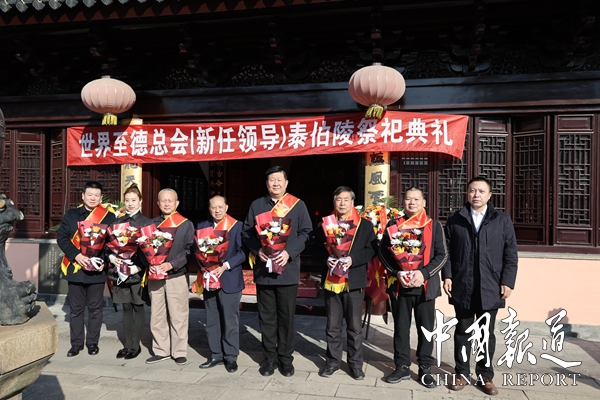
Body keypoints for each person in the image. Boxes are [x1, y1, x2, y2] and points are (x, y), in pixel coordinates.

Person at [443, 176, 518, 396]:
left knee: (486, 333)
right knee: (463, 331)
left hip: (491, 284)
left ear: (489, 195)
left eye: (481, 191)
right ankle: (461, 373)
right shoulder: (456, 219)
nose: (476, 195)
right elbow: (447, 252)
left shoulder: (501, 220)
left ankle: (485, 375)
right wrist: (447, 276)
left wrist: (507, 281)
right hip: (462, 283)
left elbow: (510, 253)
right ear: (467, 194)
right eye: (472, 191)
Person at [242, 166, 312, 377]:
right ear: (267, 183)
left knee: (286, 318)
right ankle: (269, 359)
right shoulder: (257, 205)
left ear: (286, 183)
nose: (275, 183)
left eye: (279, 180)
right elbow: (247, 233)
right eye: (272, 180)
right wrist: (257, 250)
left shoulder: (297, 205)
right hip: (264, 271)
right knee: (266, 318)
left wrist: (289, 252)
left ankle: (286, 359)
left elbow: (306, 232)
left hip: (287, 270)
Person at [378, 187, 447, 388]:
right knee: (401, 329)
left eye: (416, 199)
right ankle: (401, 367)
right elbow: (383, 252)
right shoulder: (393, 225)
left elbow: (442, 255)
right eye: (408, 199)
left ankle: (425, 369)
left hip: (425, 286)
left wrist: (423, 274)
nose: (412, 203)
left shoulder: (434, 225)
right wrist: (396, 272)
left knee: (426, 329)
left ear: (424, 203)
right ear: (403, 202)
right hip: (400, 285)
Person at [314, 186, 377, 380]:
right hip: (332, 281)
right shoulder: (324, 224)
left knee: (354, 327)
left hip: (354, 281)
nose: (342, 203)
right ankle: (332, 362)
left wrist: (353, 259)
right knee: (332, 326)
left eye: (346, 199)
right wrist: (326, 259)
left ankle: (355, 365)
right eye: (338, 199)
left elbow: (371, 250)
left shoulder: (364, 225)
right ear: (334, 202)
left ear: (352, 202)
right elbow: (316, 249)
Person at [57, 181, 116, 357]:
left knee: (95, 308)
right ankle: (76, 344)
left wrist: (102, 260)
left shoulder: (108, 217)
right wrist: (76, 255)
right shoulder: (71, 214)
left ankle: (92, 343)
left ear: (101, 197)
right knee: (76, 309)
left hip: (97, 270)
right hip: (76, 268)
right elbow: (62, 238)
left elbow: (112, 243)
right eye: (89, 194)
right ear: (83, 196)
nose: (93, 198)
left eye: (96, 195)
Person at [145, 188, 195, 366]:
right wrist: (150, 263)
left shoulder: (186, 224)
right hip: (155, 276)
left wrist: (172, 264)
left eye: (170, 200)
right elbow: (143, 249)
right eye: (163, 201)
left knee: (178, 315)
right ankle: (161, 350)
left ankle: (179, 351)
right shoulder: (151, 225)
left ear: (177, 203)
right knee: (157, 314)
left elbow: (190, 250)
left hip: (176, 275)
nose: (167, 204)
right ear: (158, 203)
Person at [197, 195, 245, 373]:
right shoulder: (202, 226)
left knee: (230, 320)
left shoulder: (237, 226)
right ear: (209, 209)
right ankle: (216, 354)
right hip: (210, 278)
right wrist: (204, 267)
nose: (217, 210)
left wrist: (225, 265)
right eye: (213, 207)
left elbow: (243, 252)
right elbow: (196, 250)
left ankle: (231, 356)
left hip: (229, 278)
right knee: (212, 319)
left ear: (226, 207)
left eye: (220, 207)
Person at [107, 184, 152, 360]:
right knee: (125, 306)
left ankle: (136, 345)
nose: (130, 203)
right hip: (120, 271)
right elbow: (107, 247)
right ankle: (127, 345)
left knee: (138, 306)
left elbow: (151, 251)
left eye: (133, 200)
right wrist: (113, 258)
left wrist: (137, 267)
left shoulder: (147, 223)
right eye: (127, 200)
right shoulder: (117, 223)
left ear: (140, 201)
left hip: (137, 272)